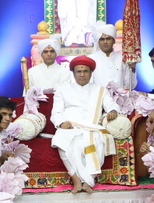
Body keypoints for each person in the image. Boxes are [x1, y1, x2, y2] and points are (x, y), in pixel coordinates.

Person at [51, 56, 119, 193]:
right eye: (78, 71)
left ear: (91, 73)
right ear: (73, 73)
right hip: (70, 126)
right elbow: (56, 112)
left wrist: (113, 111)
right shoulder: (62, 89)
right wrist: (61, 123)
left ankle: (88, 180)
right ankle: (76, 178)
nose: (82, 75)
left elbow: (111, 104)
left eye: (85, 71)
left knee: (99, 139)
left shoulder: (100, 90)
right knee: (61, 139)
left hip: (92, 126)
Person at [87, 24, 136, 90]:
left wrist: (132, 69)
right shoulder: (91, 59)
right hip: (98, 96)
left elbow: (130, 86)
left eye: (108, 39)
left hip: (118, 96)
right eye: (102, 39)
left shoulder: (122, 59)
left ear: (114, 41)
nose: (105, 42)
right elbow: (88, 85)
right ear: (98, 42)